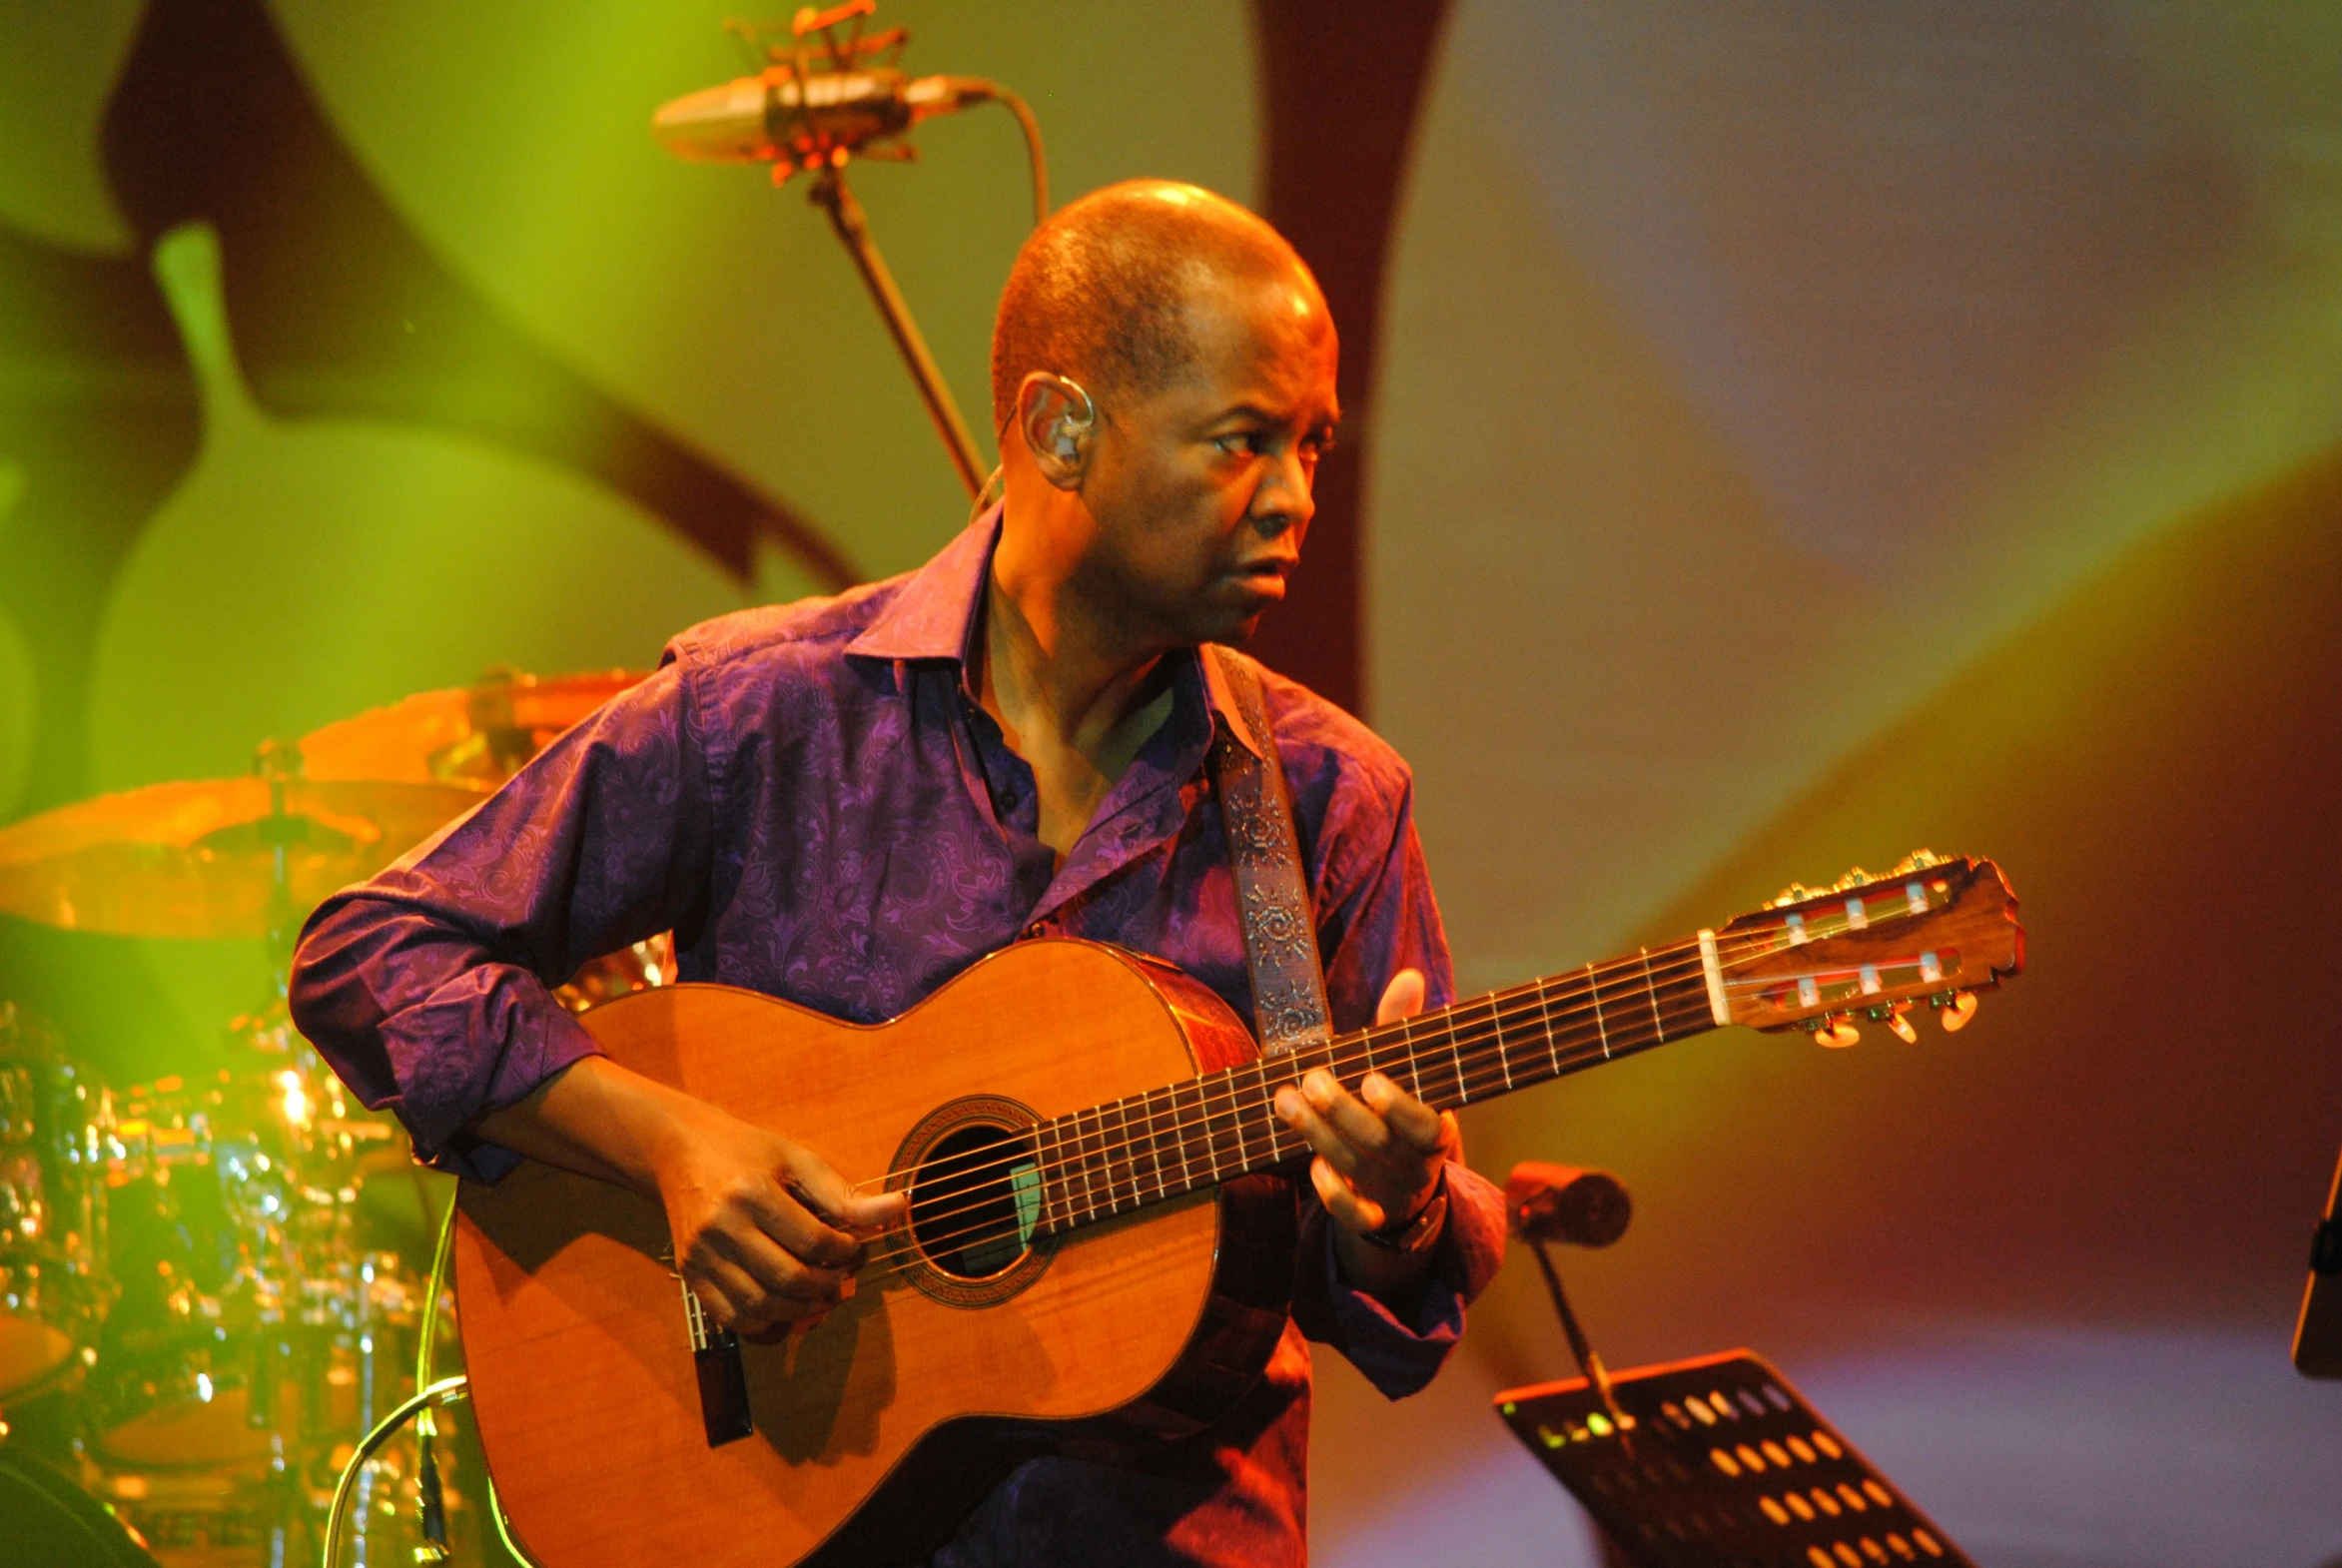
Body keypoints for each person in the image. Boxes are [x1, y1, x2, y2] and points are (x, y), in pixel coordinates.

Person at [291, 179, 1505, 1566]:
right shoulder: (767, 711)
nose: (1293, 496)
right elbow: (374, 954)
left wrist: (1395, 1216)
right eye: (1243, 442)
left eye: (1314, 445)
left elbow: (1400, 1303)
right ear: (1062, 426)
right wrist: (677, 1148)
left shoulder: (1322, 796)